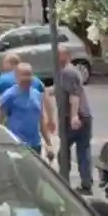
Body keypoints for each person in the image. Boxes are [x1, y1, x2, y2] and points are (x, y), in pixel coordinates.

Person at [56, 44, 94, 192]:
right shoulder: (66, 72)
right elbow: (62, 90)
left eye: (57, 54)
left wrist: (73, 117)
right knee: (82, 151)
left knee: (66, 152)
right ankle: (85, 183)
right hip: (83, 117)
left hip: (77, 118)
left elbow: (74, 95)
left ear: (65, 56)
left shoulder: (68, 72)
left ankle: (65, 183)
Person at [0, 62, 52, 158]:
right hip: (17, 145)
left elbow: (42, 119)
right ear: (16, 77)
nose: (27, 78)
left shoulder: (37, 94)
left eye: (29, 75)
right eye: (24, 75)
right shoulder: (9, 95)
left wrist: (49, 143)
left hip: (35, 145)